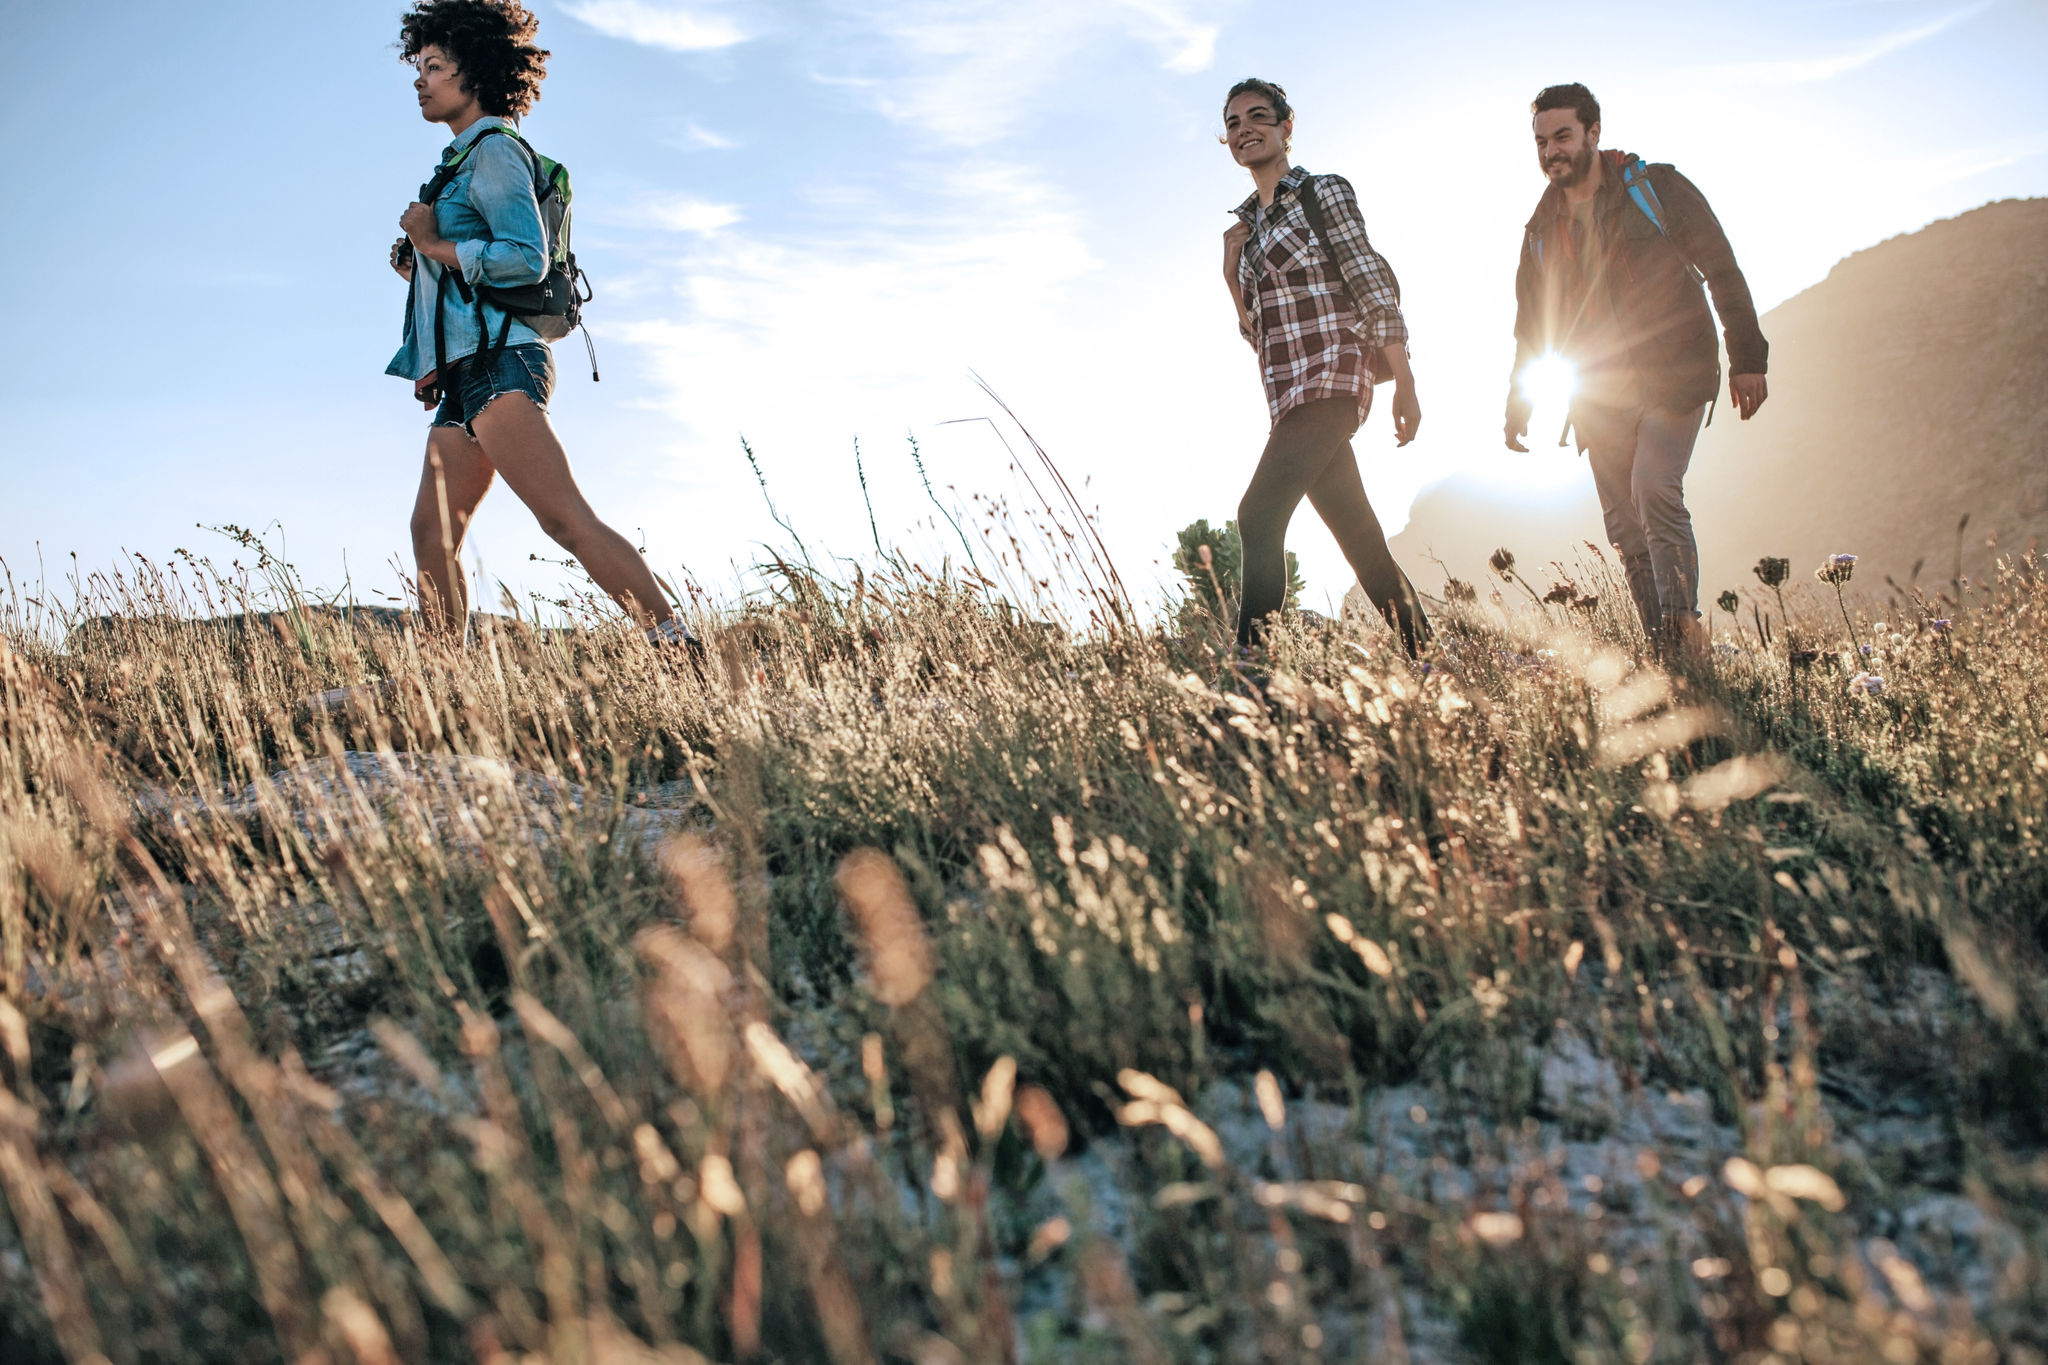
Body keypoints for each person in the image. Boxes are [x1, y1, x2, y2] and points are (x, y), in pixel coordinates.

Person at [388, 0, 694, 650]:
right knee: (431, 534)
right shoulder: (457, 165)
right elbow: (474, 270)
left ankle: (678, 650)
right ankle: (442, 681)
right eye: (418, 66)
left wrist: (436, 245)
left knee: (562, 518)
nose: (421, 79)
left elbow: (525, 258)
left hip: (504, 363)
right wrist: (421, 264)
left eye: (434, 65)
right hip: (466, 377)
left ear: (473, 74)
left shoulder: (494, 152)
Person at [1504, 83, 1768, 652]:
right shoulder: (1540, 231)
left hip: (1674, 373)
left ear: (1593, 133)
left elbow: (1722, 268)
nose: (1552, 151)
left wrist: (1748, 356)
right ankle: (1663, 650)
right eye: (1541, 142)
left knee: (1654, 488)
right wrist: (1518, 404)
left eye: (1563, 137)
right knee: (1624, 524)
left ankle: (1683, 625)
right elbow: (1532, 326)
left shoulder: (1659, 190)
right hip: (1597, 392)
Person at [1220, 79, 1430, 659]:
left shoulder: (1322, 192)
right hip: (1288, 397)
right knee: (1362, 544)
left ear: (1287, 126)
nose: (1245, 130)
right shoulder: (1247, 232)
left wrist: (1403, 381)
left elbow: (1369, 281)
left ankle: (1251, 678)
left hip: (1334, 379)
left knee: (1257, 515)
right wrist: (1230, 271)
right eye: (1233, 123)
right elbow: (1256, 335)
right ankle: (1434, 663)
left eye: (1258, 116)